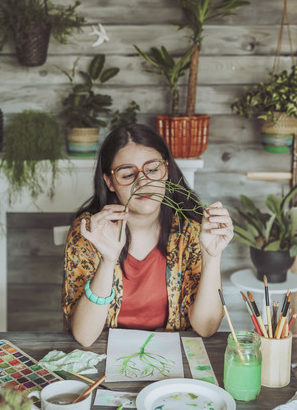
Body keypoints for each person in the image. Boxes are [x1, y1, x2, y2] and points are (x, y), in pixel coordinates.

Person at [62, 123, 233, 347]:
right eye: (127, 174)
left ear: (166, 169)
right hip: (106, 358)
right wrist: (108, 260)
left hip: (172, 360)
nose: (143, 183)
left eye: (152, 169)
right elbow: (84, 337)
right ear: (110, 182)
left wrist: (212, 257)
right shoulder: (89, 231)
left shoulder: (192, 229)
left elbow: (207, 328)